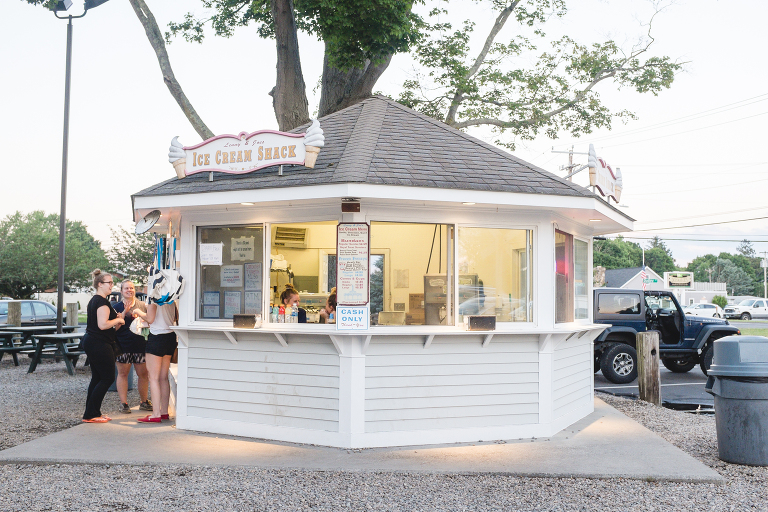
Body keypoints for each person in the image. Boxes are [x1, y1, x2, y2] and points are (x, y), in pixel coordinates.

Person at [82, 269, 124, 423]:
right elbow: (103, 325)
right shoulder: (101, 302)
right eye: (109, 283)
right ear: (100, 284)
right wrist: (118, 320)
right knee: (107, 378)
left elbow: (106, 326)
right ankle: (91, 414)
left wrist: (117, 320)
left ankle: (92, 413)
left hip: (95, 341)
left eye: (112, 283)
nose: (112, 285)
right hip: (98, 343)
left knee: (98, 378)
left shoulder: (96, 300)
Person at [132, 302, 177, 423]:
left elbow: (150, 319)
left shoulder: (154, 297)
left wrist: (138, 311)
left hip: (157, 337)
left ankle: (155, 414)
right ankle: (164, 412)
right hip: (170, 336)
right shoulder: (171, 298)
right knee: (163, 378)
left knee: (153, 378)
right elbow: (173, 317)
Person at [112, 279, 151, 414]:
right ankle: (124, 404)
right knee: (123, 374)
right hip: (123, 345)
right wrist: (125, 312)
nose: (129, 290)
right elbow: (114, 329)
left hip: (141, 345)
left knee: (143, 374)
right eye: (126, 288)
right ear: (121, 291)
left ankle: (144, 402)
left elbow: (150, 322)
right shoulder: (116, 307)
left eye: (132, 288)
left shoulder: (142, 305)